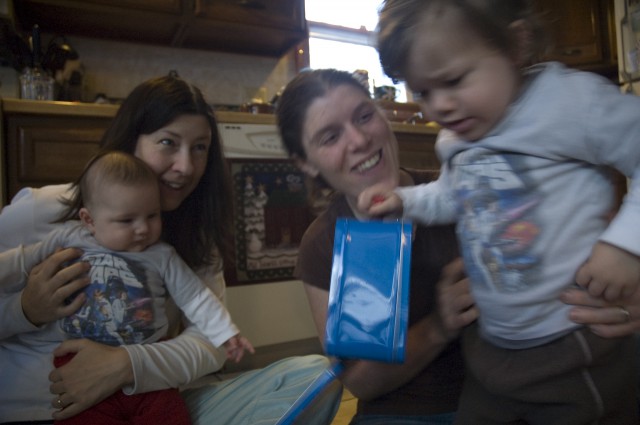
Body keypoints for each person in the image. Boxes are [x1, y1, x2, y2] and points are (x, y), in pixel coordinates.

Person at [0, 74, 342, 424]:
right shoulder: (44, 210)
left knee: (314, 376)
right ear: (131, 141)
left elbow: (210, 342)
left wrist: (126, 365)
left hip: (146, 402)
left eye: (199, 147)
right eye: (167, 142)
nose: (186, 166)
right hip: (37, 409)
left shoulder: (191, 235)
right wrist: (25, 310)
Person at [357, 0, 640, 423]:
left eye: (453, 80)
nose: (440, 108)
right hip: (492, 347)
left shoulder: (570, 101)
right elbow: (456, 195)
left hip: (575, 342)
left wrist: (626, 246)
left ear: (516, 44)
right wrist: (407, 202)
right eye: (424, 92)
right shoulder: (457, 136)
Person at [276, 68, 478, 424]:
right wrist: (439, 326)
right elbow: (362, 384)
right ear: (305, 162)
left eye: (364, 116)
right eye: (330, 136)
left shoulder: (459, 190)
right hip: (399, 413)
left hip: (495, 398)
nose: (358, 140)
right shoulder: (324, 243)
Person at [0, 151, 255, 424]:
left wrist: (225, 332)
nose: (143, 229)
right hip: (76, 363)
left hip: (144, 368)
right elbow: (21, 260)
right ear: (89, 220)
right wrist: (24, 304)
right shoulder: (69, 236)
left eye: (152, 216)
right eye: (127, 220)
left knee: (171, 416)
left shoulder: (162, 255)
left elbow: (195, 297)